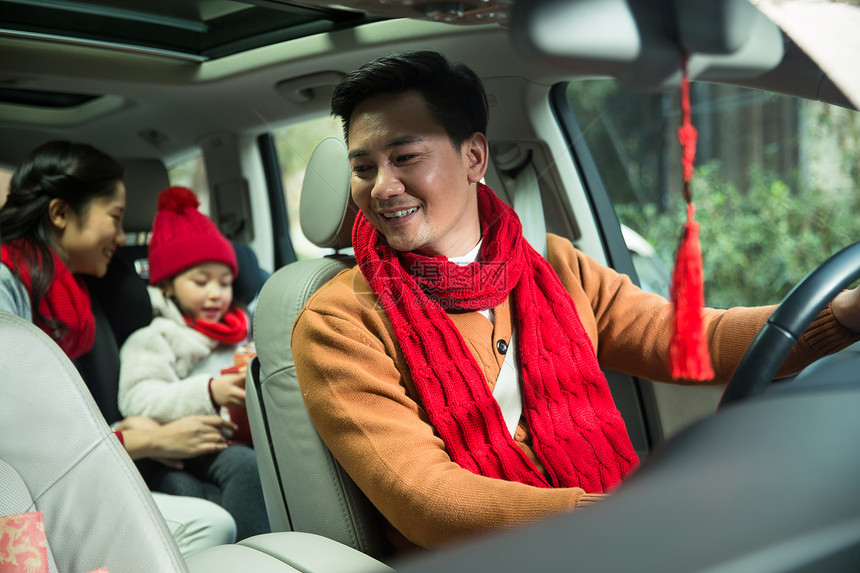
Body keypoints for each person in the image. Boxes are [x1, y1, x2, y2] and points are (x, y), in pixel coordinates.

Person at [290, 50, 860, 553]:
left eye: (405, 157)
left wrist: (839, 317)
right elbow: (424, 496)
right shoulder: (337, 320)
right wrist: (613, 519)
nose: (381, 187)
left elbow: (692, 341)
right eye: (363, 168)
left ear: (474, 157)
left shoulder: (552, 263)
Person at [0, 140, 237, 557]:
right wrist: (138, 440)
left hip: (63, 472)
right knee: (211, 525)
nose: (123, 236)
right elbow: (21, 436)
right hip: (22, 492)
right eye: (115, 217)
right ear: (60, 213)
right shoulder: (7, 284)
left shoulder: (71, 294)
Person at [118, 185, 269, 541]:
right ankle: (251, 554)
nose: (216, 293)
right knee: (218, 475)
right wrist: (210, 391)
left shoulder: (243, 330)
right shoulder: (156, 337)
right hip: (181, 445)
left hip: (244, 437)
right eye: (201, 282)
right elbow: (138, 398)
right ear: (168, 286)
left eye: (225, 282)